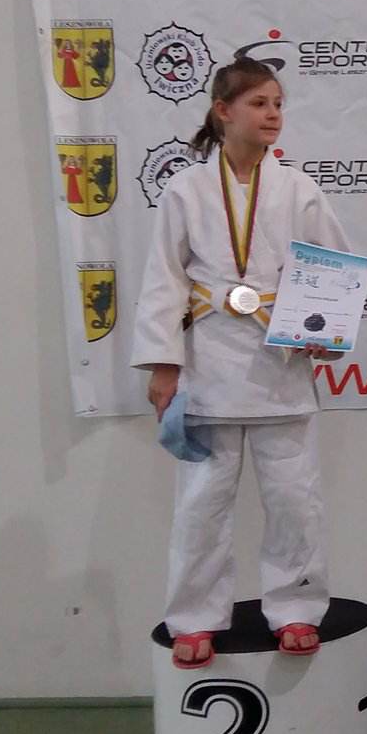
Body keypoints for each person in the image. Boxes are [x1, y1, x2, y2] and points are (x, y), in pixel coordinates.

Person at [132, 55, 348, 667]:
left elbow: (333, 265)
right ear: (223, 111)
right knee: (202, 503)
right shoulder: (186, 189)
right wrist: (163, 365)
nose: (273, 114)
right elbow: (163, 280)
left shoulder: (299, 189)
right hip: (208, 366)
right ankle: (194, 617)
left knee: (295, 500)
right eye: (259, 103)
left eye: (278, 104)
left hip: (280, 362)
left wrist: (325, 330)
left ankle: (297, 607)